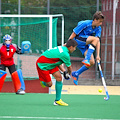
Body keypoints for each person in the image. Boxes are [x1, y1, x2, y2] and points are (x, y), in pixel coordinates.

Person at [36, 39, 78, 106]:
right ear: (71, 47)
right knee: (49, 84)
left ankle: (57, 100)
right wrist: (69, 74)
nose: (75, 49)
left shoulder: (63, 48)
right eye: (74, 47)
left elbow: (57, 61)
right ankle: (43, 82)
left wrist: (64, 71)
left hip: (51, 63)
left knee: (59, 78)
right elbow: (69, 67)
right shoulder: (65, 54)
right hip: (43, 64)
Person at [69, 11, 104, 85]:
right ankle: (86, 59)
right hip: (78, 40)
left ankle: (76, 73)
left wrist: (98, 55)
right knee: (95, 39)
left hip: (85, 44)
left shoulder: (98, 28)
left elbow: (98, 41)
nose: (101, 24)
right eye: (100, 22)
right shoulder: (85, 23)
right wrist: (67, 44)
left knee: (92, 62)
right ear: (95, 19)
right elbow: (74, 34)